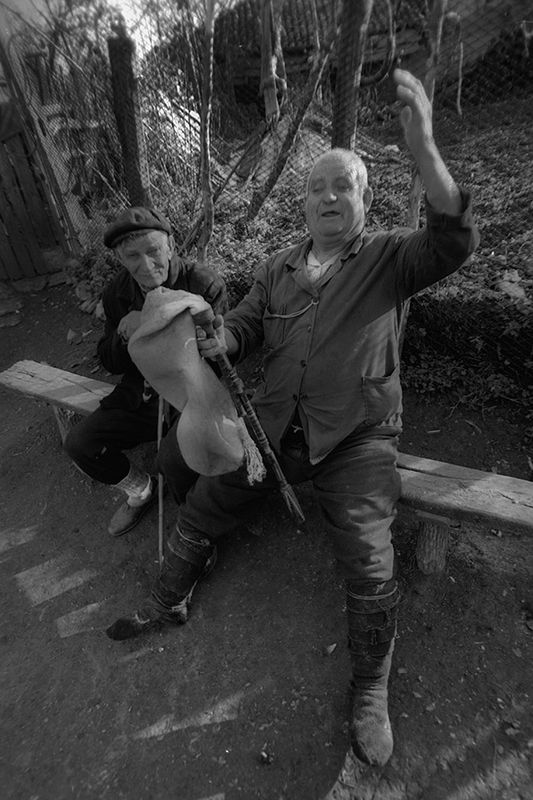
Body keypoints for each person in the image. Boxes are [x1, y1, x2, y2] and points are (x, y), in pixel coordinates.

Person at [106, 70, 480, 767]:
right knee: (209, 499)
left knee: (367, 553)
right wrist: (219, 338)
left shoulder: (392, 257)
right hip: (273, 428)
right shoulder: (278, 267)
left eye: (343, 187)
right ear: (303, 203)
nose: (328, 197)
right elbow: (244, 327)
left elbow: (453, 242)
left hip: (358, 435)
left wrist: (425, 149)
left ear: (364, 200)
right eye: (316, 188)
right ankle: (168, 597)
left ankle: (369, 690)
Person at [64, 206, 227, 536]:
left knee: (175, 457)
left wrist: (160, 327)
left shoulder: (203, 283)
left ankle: (195, 523)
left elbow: (219, 357)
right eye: (132, 256)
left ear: (170, 245)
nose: (147, 265)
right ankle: (142, 489)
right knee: (80, 443)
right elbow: (110, 362)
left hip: (192, 392)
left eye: (153, 251)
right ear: (120, 259)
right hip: (141, 394)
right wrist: (126, 333)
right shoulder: (117, 293)